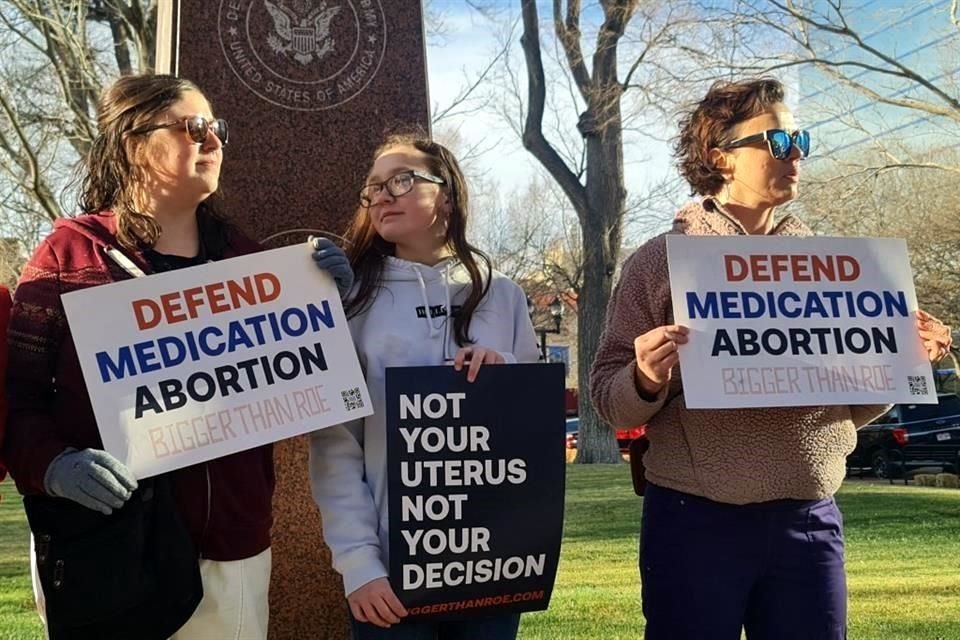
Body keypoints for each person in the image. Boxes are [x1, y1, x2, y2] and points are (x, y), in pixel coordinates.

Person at [589, 77, 952, 640]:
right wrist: (644, 375)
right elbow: (611, 403)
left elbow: (850, 408)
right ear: (720, 157)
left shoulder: (836, 269)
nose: (796, 154)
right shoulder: (659, 262)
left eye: (800, 140)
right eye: (777, 142)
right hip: (694, 521)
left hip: (809, 519)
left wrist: (902, 360)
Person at [2, 73, 351, 639]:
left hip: (229, 553)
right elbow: (17, 398)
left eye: (217, 129)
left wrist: (330, 305)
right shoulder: (67, 256)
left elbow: (315, 386)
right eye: (195, 128)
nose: (213, 141)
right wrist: (51, 466)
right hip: (106, 550)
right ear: (135, 143)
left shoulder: (248, 263)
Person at [308, 132, 540, 639]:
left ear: (448, 196)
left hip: (492, 563)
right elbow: (336, 445)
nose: (384, 195)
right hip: (389, 578)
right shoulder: (351, 302)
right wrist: (359, 565)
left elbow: (532, 433)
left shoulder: (503, 295)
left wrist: (502, 381)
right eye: (373, 187)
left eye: (402, 180)